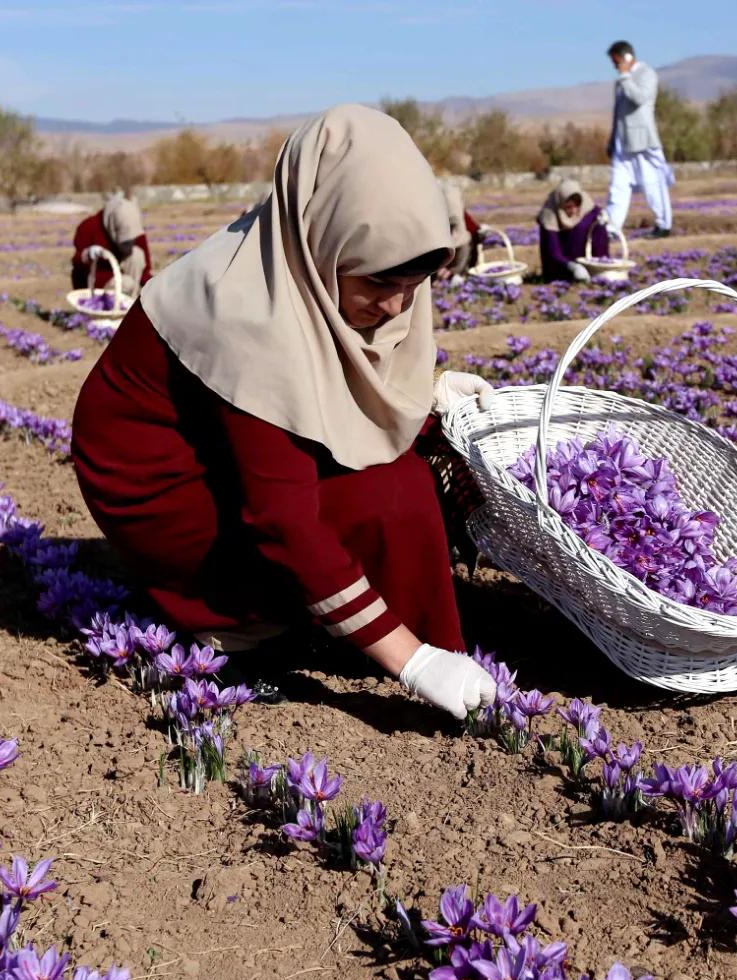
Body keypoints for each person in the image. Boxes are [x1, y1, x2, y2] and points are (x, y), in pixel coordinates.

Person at [71, 105, 499, 720]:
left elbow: (329, 387)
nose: (398, 305)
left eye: (416, 281)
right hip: (162, 484)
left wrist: (425, 395)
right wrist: (413, 661)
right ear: (326, 243)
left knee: (404, 471)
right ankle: (235, 625)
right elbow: (282, 520)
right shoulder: (251, 315)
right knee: (385, 496)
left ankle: (354, 614)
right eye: (378, 284)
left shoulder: (316, 260)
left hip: (223, 440)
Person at [605, 40, 674, 238]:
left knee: (652, 183)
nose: (614, 66)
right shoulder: (621, 80)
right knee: (617, 187)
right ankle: (611, 228)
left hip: (642, 141)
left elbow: (640, 98)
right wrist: (612, 141)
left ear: (626, 57)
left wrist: (626, 76)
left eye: (615, 61)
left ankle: (663, 225)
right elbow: (618, 114)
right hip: (623, 143)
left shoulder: (646, 74)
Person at [71, 195, 153, 296]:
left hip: (127, 278)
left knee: (137, 254)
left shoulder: (134, 228)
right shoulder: (89, 227)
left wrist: (150, 286)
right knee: (127, 284)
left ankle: (131, 302)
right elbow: (77, 264)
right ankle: (121, 303)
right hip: (98, 280)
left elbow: (145, 269)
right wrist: (88, 255)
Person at [536, 179, 609, 282]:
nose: (574, 211)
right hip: (561, 264)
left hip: (583, 257)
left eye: (577, 206)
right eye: (569, 207)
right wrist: (572, 266)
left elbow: (596, 212)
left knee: (596, 223)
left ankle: (597, 267)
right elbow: (553, 251)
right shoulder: (549, 214)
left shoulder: (585, 203)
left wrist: (602, 215)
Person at [436, 179, 481, 283]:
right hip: (443, 245)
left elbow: (463, 222)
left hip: (456, 241)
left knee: (465, 240)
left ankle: (453, 276)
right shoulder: (446, 200)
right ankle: (448, 276)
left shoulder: (453, 199)